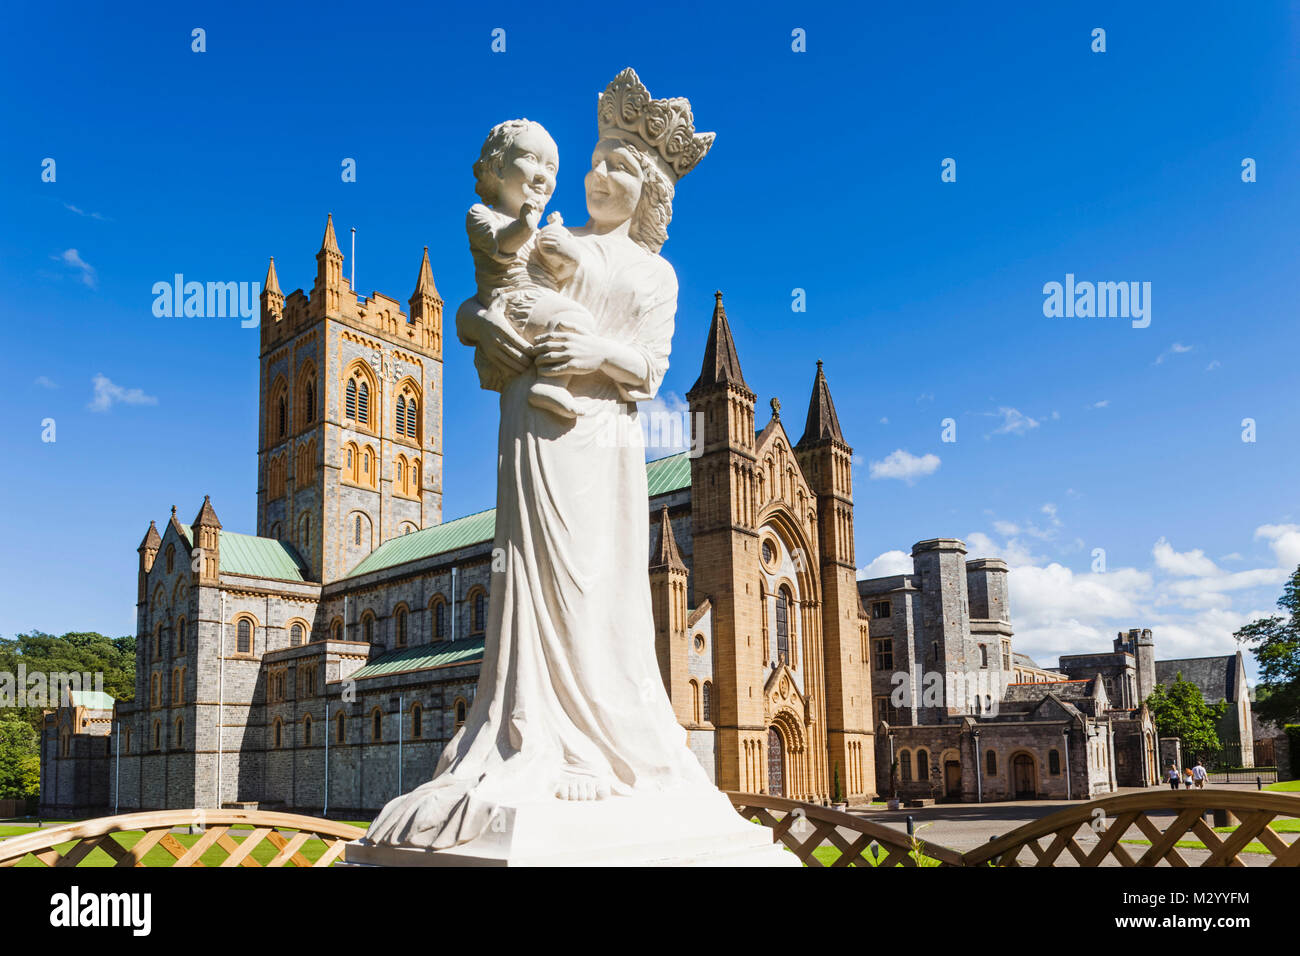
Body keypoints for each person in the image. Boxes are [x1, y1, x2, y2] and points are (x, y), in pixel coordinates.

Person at [365, 68, 717, 851]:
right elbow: (497, 290)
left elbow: (651, 370)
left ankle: (595, 739)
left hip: (603, 435)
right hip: (531, 425)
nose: (595, 174)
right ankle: (537, 729)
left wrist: (594, 346)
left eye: (617, 166)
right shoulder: (555, 238)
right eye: (594, 159)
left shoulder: (656, 273)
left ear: (652, 190)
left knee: (597, 579)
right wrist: (469, 319)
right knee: (532, 570)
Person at [463, 118, 598, 420]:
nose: (542, 176)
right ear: (497, 167)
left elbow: (563, 274)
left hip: (539, 302)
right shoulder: (482, 214)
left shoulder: (542, 231)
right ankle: (551, 384)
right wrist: (525, 225)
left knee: (575, 326)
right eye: (531, 159)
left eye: (552, 169)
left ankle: (553, 383)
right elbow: (502, 246)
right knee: (576, 318)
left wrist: (565, 252)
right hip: (513, 303)